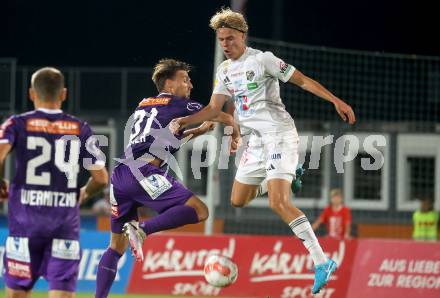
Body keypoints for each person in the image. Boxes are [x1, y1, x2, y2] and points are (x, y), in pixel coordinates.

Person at [170, 8, 356, 294]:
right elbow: (213, 109)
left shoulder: (263, 60)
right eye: (221, 40)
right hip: (254, 142)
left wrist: (335, 100)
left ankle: (321, 261)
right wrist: (190, 124)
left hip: (279, 135)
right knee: (237, 200)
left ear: (242, 36)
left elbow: (303, 80)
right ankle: (285, 174)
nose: (225, 45)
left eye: (230, 39)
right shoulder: (224, 70)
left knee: (278, 203)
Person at [95, 59, 237, 298]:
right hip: (143, 173)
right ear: (170, 85)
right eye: (185, 80)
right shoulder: (178, 104)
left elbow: (164, 142)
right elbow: (215, 112)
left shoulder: (144, 105)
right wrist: (233, 119)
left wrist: (197, 131)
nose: (190, 85)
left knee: (115, 246)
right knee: (200, 211)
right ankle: (142, 230)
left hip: (120, 175)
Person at [0, 67, 109, 298]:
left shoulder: (16, 124)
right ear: (63, 94)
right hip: (64, 228)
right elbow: (101, 178)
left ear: (31, 93)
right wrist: (84, 193)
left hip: (24, 227)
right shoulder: (81, 128)